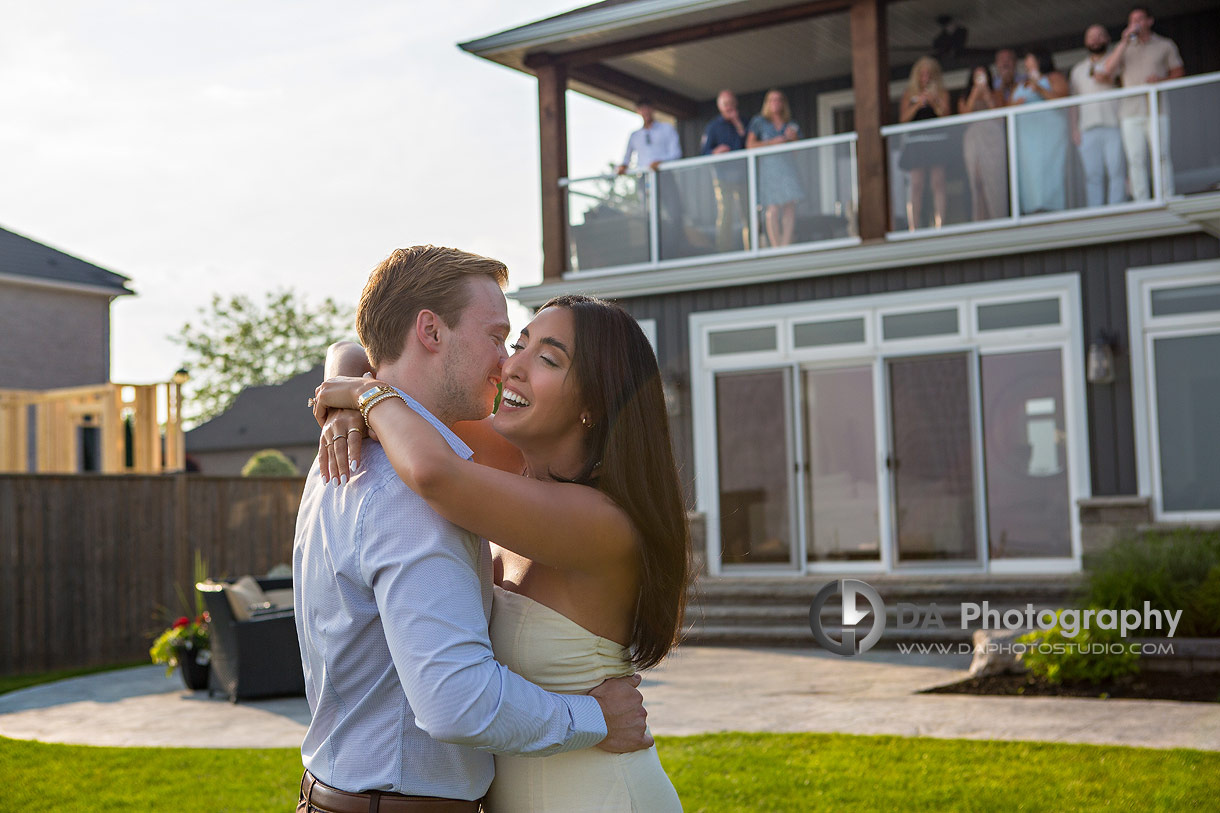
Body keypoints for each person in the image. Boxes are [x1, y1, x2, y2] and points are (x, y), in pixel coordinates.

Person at [292, 247, 656, 813]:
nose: (508, 364)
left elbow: (433, 468)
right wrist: (352, 397)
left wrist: (363, 395)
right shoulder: (407, 478)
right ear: (431, 331)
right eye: (505, 339)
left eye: (544, 357)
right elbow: (355, 350)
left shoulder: (438, 471)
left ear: (592, 403)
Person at [1101, 6, 1185, 200]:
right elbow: (1107, 70)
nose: (1136, 23)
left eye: (1139, 19)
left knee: (1161, 155)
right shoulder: (1124, 48)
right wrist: (1124, 41)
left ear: (1149, 21)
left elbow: (1178, 72)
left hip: (1157, 108)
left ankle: (1166, 196)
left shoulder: (1164, 45)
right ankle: (1141, 200)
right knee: (1135, 158)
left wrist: (1161, 81)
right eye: (1132, 20)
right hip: (1130, 111)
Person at [1069, 24, 1127, 207]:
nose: (1095, 40)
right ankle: (1096, 211)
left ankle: (1117, 209)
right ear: (1085, 41)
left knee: (1117, 171)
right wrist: (1074, 128)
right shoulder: (1078, 70)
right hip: (1087, 128)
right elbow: (1073, 103)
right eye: (1090, 37)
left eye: (1099, 35)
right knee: (1092, 174)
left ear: (1107, 39)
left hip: (1114, 124)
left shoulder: (1116, 62)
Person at [1010, 49, 1071, 214]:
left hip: (1050, 134)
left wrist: (1040, 89)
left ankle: (1054, 207)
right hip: (1027, 137)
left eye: (1030, 59)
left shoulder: (1054, 77)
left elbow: (1063, 100)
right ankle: (1032, 208)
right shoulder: (1021, 83)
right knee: (1030, 173)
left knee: (1052, 169)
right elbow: (1007, 108)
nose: (1026, 63)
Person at [898, 56, 952, 230]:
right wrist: (918, 104)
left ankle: (940, 224)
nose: (925, 78)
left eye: (929, 74)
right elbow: (903, 119)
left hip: (936, 141)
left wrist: (933, 101)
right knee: (916, 184)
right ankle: (913, 226)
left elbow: (946, 116)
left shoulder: (941, 93)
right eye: (922, 74)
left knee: (938, 182)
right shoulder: (909, 94)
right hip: (916, 143)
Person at [747, 88, 805, 248]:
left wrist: (794, 139)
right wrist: (772, 143)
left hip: (788, 170)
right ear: (767, 103)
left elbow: (798, 152)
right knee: (772, 208)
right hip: (769, 171)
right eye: (772, 99)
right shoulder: (759, 122)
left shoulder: (791, 125)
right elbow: (750, 145)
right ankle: (776, 246)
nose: (776, 103)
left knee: (789, 207)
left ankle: (785, 246)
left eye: (779, 99)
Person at [958, 64, 1009, 221]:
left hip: (993, 138)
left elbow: (1000, 118)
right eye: (977, 77)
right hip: (973, 139)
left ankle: (997, 217)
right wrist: (974, 95)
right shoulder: (965, 98)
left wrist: (987, 97)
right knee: (977, 181)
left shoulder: (997, 94)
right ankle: (980, 219)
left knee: (994, 180)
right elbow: (964, 119)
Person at [701, 89, 750, 252]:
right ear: (720, 106)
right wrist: (715, 152)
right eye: (725, 104)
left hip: (744, 175)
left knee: (748, 213)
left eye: (731, 103)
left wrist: (738, 126)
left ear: (735, 104)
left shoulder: (744, 122)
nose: (728, 107)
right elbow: (704, 152)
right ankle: (723, 250)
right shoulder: (713, 126)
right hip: (722, 176)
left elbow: (750, 144)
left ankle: (751, 249)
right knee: (725, 213)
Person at [616, 97, 682, 176]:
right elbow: (626, 158)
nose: (645, 111)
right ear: (638, 111)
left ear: (653, 109)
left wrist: (660, 162)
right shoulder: (635, 135)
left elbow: (676, 154)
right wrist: (623, 166)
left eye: (647, 108)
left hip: (665, 174)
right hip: (643, 176)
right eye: (642, 109)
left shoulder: (666, 128)